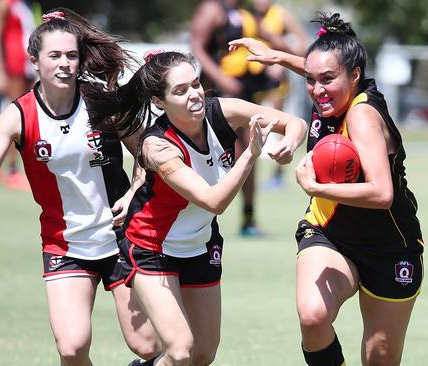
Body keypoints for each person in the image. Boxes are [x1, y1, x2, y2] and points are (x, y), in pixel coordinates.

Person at [0, 8, 161, 366]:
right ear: (35, 61)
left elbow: (151, 153)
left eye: (71, 55)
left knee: (146, 345)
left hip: (120, 237)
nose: (65, 63)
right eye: (54, 56)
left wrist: (133, 193)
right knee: (71, 348)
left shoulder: (101, 102)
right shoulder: (18, 115)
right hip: (64, 243)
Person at [85, 50, 307, 365]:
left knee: (202, 355)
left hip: (200, 245)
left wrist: (289, 144)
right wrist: (250, 154)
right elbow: (213, 201)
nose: (194, 94)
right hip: (152, 247)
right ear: (159, 102)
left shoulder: (223, 111)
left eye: (196, 84)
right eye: (181, 90)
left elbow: (293, 122)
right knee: (179, 351)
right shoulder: (157, 145)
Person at [229, 12, 424, 366]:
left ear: (355, 76)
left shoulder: (362, 116)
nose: (317, 90)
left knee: (379, 359)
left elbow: (382, 195)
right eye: (311, 79)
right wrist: (277, 56)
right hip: (329, 232)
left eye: (327, 80)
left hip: (390, 245)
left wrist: (316, 186)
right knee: (313, 316)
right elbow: (318, 69)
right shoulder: (332, 89)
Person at [190, 0, 294, 236]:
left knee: (249, 151)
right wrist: (221, 77)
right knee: (223, 154)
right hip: (216, 96)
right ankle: (198, 216)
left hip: (245, 93)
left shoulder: (247, 12)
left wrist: (277, 61)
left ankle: (248, 219)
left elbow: (269, 41)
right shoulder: (212, 9)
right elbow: (197, 47)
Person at [249, 0, 310, 190]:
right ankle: (246, 174)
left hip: (276, 82)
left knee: (280, 126)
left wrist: (280, 57)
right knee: (249, 129)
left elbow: (304, 44)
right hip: (249, 81)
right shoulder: (245, 14)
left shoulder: (281, 14)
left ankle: (277, 175)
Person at [0, 0, 41, 190]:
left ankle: (22, 168)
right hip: (13, 66)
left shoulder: (30, 6)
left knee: (29, 117)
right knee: (15, 117)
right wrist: (0, 70)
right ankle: (10, 169)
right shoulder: (6, 4)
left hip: (29, 66)